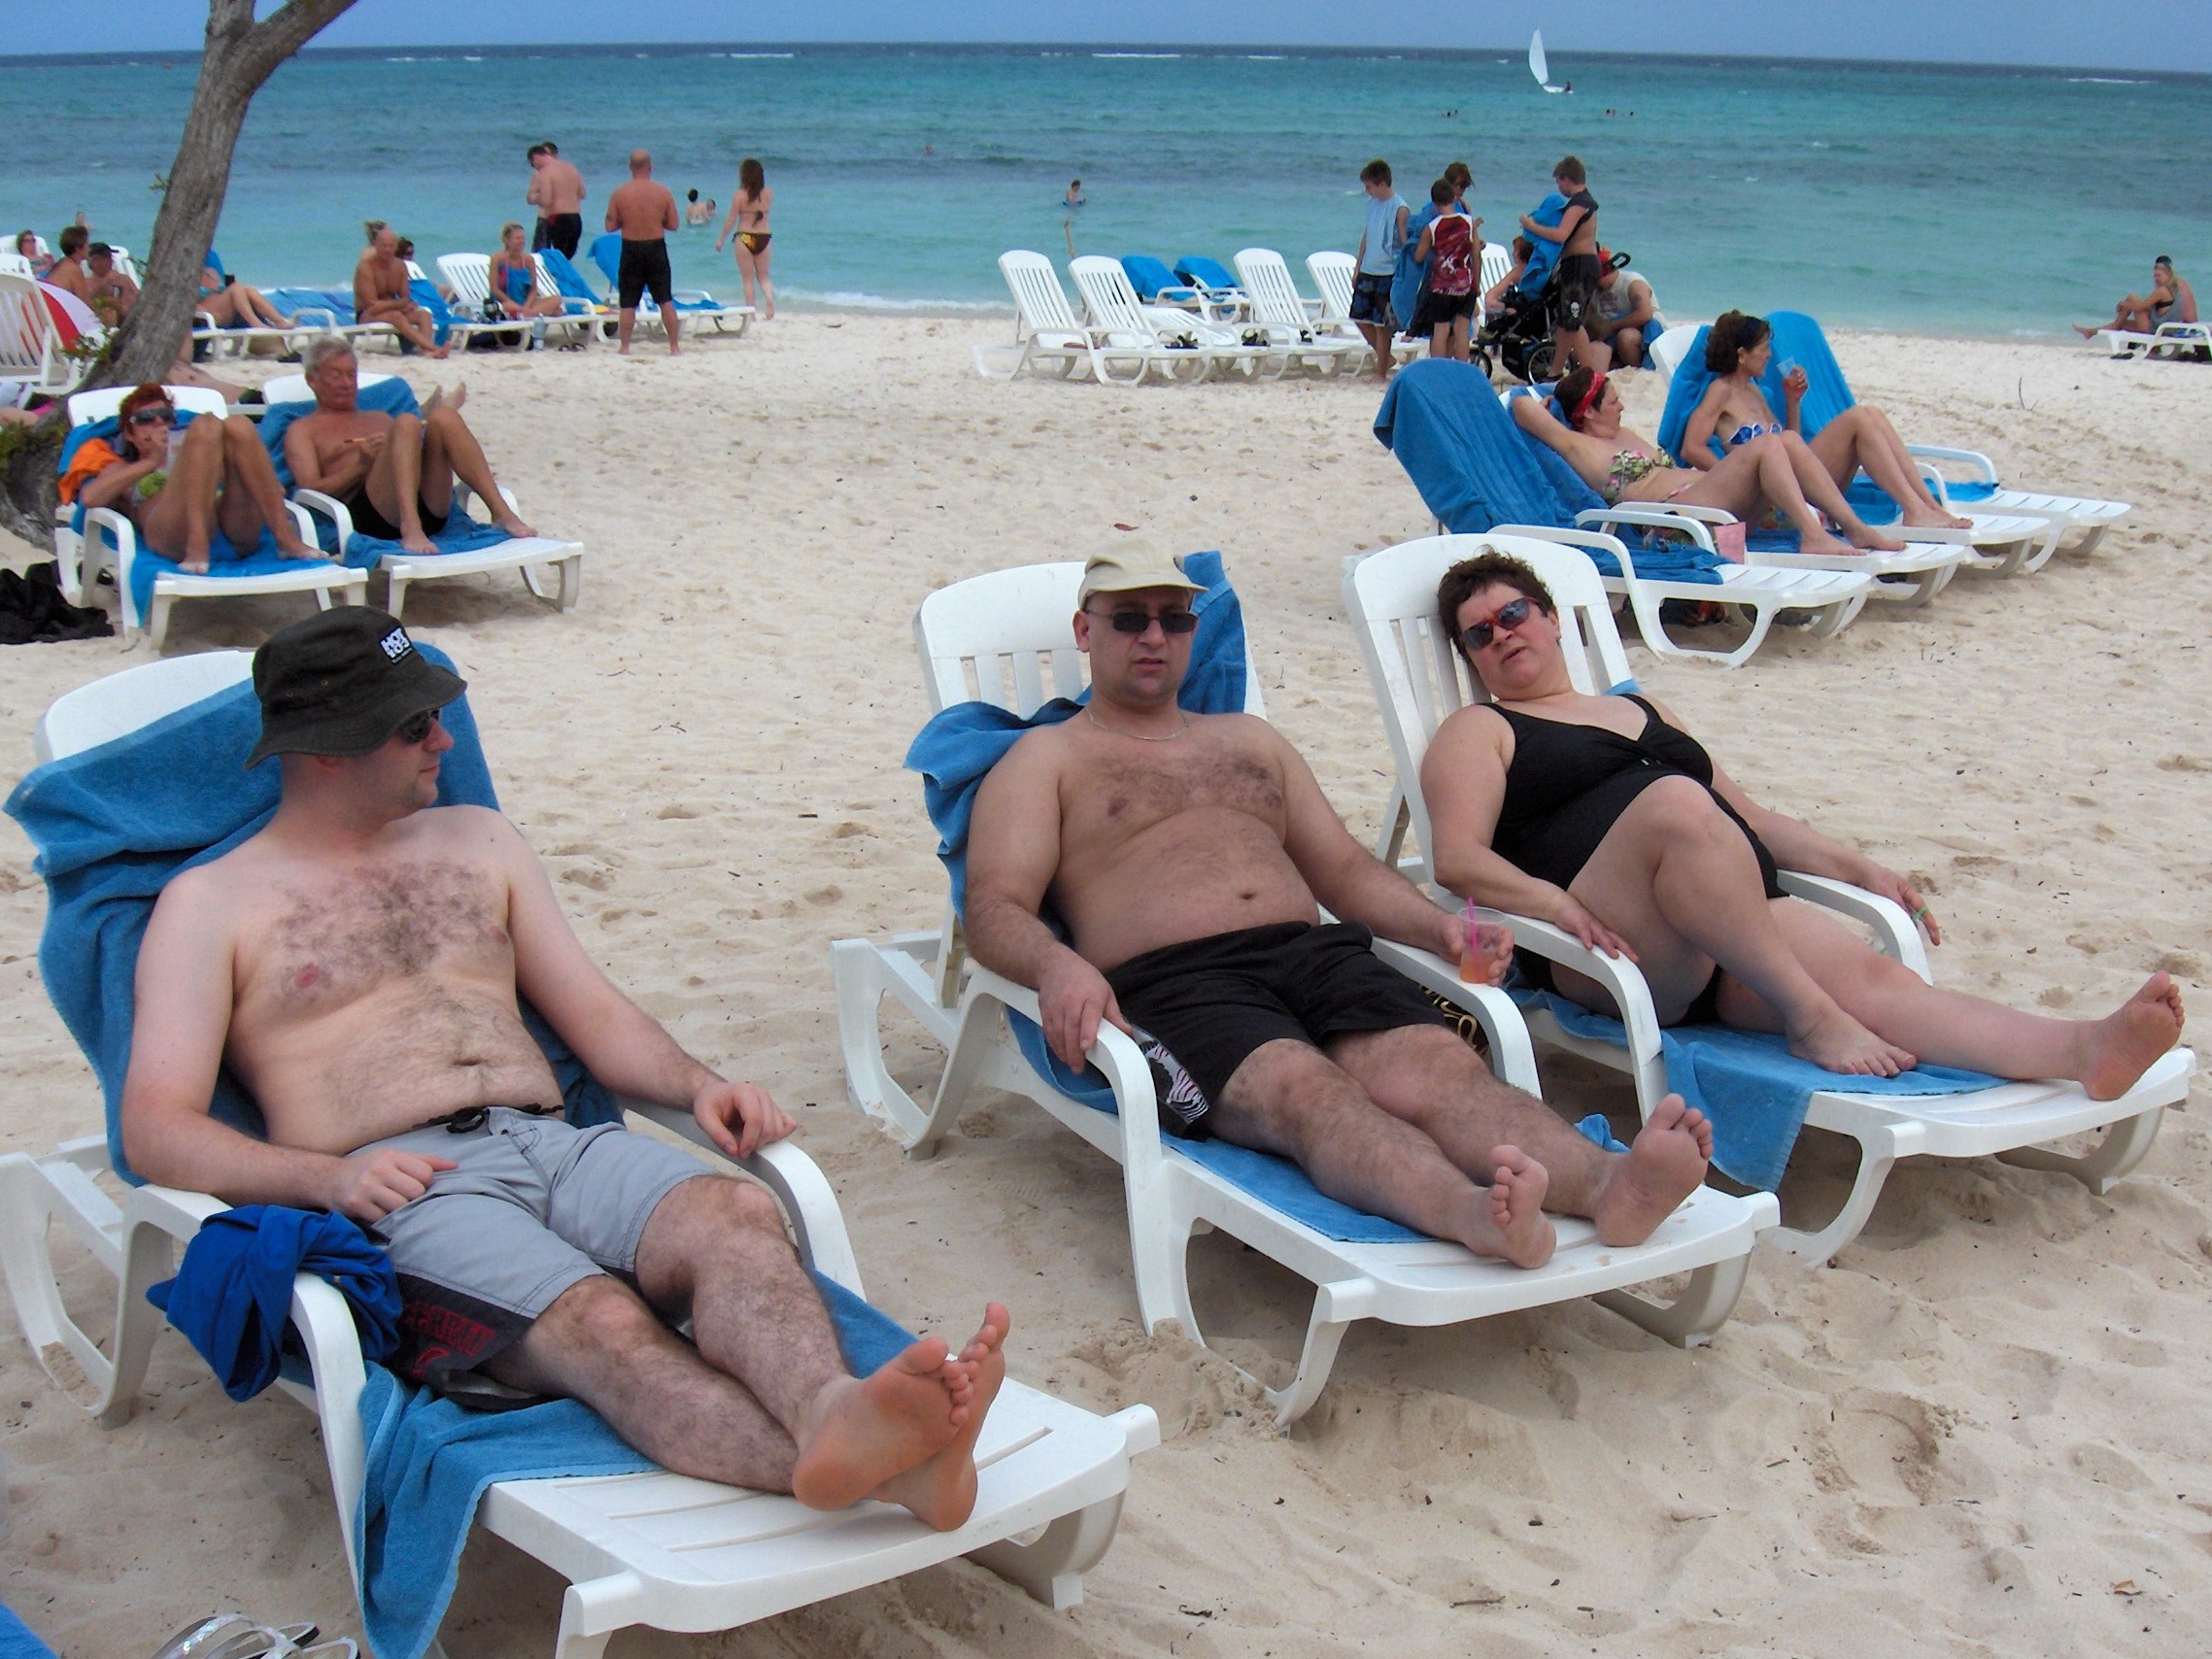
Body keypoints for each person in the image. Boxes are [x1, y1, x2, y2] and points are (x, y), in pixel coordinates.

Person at [119, 607, 1009, 1528]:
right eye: (413, 725)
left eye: (438, 714)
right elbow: (155, 1128)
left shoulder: (480, 840)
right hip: (403, 1185)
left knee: (737, 1211)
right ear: (326, 748)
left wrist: (699, 1085)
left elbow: (593, 1013)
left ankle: (833, 1412)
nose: (443, 740)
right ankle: (884, 1471)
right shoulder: (211, 904)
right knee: (599, 1322)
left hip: (554, 1140)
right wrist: (325, 1181)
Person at [962, 542, 1718, 1270]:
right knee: (1303, 1090)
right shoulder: (1046, 760)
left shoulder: (1251, 740)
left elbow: (1346, 870)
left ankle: (1607, 1185)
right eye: (1129, 619)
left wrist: (1440, 928)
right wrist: (1055, 966)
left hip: (1312, 954)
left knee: (1437, 1067)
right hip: (1175, 985)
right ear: (1084, 630)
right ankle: (1469, 1214)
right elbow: (993, 906)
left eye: (1175, 618)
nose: (1154, 636)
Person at [1419, 549, 2187, 1090]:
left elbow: (1747, 816)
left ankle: (2080, 1051)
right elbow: (1455, 858)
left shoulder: (1641, 707)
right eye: (1479, 633)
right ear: (1472, 659)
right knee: (1675, 802)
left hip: (1733, 922)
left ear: (1551, 618)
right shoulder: (1479, 730)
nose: (1501, 634)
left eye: (1512, 613)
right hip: (1621, 947)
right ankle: (1809, 1015)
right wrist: (1556, 905)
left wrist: (1857, 867)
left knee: (1880, 983)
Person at [1515, 365, 1904, 557]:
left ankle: (1853, 527)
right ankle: (1813, 536)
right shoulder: (1579, 445)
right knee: (1768, 446)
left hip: (1706, 501)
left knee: (1785, 439)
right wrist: (1549, 404)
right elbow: (1519, 405)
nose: (1622, 407)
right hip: (1674, 521)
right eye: (1614, 401)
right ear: (1588, 412)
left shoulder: (1624, 434)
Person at [1683, 312, 1972, 531]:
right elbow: (1691, 447)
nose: (1770, 354)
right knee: (1858, 418)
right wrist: (1733, 475)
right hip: (1769, 500)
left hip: (1795, 482)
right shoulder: (1720, 392)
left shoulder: (1755, 392)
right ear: (1742, 355)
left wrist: (1792, 401)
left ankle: (1926, 506)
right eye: (1764, 347)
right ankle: (1915, 510)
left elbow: (1790, 442)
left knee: (1870, 414)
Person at [282, 336, 531, 555]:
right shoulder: (303, 430)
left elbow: (411, 459)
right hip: (371, 517)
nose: (346, 383)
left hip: (428, 508)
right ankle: (410, 525)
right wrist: (360, 466)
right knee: (407, 422)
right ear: (312, 380)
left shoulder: (378, 418)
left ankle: (501, 512)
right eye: (336, 375)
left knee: (444, 417)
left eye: (351, 375)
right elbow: (308, 492)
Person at [61, 383, 321, 574]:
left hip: (232, 530)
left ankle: (286, 539)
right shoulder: (121, 466)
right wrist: (150, 462)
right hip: (174, 537)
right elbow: (91, 499)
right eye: (145, 419)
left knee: (238, 424)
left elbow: (273, 488)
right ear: (129, 434)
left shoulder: (207, 451)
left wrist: (214, 462)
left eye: (166, 417)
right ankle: (197, 544)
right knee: (206, 425)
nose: (159, 424)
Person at [1519, 155, 1602, 372]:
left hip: (1581, 266)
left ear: (1566, 179)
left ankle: (1591, 374)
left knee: (1572, 323)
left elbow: (1560, 234)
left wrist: (1531, 226)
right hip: (1574, 265)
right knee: (1565, 323)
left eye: (1558, 182)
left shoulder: (1580, 203)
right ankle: (1554, 371)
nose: (1559, 187)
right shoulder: (1581, 202)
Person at [607, 150, 682, 356]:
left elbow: (610, 226)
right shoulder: (663, 192)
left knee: (628, 302)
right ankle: (674, 347)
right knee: (665, 299)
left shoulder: (619, 194)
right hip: (656, 247)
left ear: (631, 167)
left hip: (631, 248)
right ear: (650, 167)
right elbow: (674, 225)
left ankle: (625, 347)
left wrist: (628, 219)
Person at [1409, 180, 1481, 364]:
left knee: (1440, 330)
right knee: (1461, 331)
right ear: (1453, 198)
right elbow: (1476, 255)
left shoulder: (1432, 227)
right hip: (1465, 284)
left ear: (1434, 203)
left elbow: (1418, 256)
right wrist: (1477, 283)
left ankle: (1438, 370)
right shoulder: (1469, 222)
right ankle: (1462, 369)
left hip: (1441, 286)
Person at [1350, 159, 1409, 382]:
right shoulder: (1371, 204)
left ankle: (1380, 372)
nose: (1367, 190)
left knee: (1382, 325)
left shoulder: (1400, 208)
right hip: (1368, 269)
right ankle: (1386, 358)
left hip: (1388, 272)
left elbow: (1405, 243)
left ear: (1382, 184)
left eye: (1369, 186)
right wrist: (1358, 267)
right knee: (1359, 317)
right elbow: (1367, 236)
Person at [354, 223, 447, 358]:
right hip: (366, 315)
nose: (387, 249)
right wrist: (400, 305)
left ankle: (426, 352)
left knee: (424, 314)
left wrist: (403, 305)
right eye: (383, 246)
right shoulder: (366, 267)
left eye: (390, 246)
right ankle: (433, 348)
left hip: (393, 311)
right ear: (376, 246)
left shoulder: (400, 266)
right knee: (396, 315)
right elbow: (372, 305)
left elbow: (406, 298)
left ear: (396, 247)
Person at [2076, 254, 2196, 338]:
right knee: (2122, 323)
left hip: (2158, 330)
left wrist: (2123, 304)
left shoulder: (2162, 291)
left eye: (2159, 276)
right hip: (2166, 328)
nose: (2156, 279)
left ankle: (2111, 327)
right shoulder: (2175, 287)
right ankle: (2092, 332)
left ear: (2168, 274)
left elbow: (2141, 307)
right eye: (2155, 276)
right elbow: (2157, 310)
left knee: (2132, 297)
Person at [716, 157, 775, 321]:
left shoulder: (739, 195)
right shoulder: (768, 194)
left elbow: (731, 219)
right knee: (763, 276)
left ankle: (751, 314)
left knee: (748, 280)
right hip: (764, 237)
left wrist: (721, 239)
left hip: (745, 237)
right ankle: (769, 298)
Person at [489, 220, 567, 335]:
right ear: (507, 240)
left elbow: (533, 289)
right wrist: (513, 303)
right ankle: (533, 313)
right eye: (517, 238)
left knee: (556, 299)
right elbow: (494, 288)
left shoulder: (528, 260)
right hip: (505, 302)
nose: (521, 241)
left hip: (525, 302)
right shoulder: (497, 259)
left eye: (523, 238)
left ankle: (525, 314)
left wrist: (526, 307)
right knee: (508, 307)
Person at [1587, 253, 1657, 369]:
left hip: (1642, 332)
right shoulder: (1594, 291)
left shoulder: (1631, 282)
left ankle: (1639, 369)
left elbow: (1645, 314)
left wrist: (1611, 326)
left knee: (1626, 337)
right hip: (1611, 338)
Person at [527, 142, 587, 257]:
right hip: (576, 219)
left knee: (555, 258)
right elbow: (581, 194)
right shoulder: (571, 167)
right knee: (566, 259)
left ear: (535, 157)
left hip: (558, 219)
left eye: (532, 164)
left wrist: (535, 198)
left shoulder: (545, 172)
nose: (535, 168)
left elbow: (546, 201)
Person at [84, 244, 138, 326]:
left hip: (124, 323)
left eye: (109, 258)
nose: (110, 260)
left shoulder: (123, 280)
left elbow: (138, 305)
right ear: (93, 262)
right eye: (106, 258)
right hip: (95, 326)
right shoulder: (85, 284)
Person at [43, 225, 92, 303]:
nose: (89, 248)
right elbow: (86, 303)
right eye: (87, 245)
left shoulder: (63, 263)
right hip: (56, 308)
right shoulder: (74, 269)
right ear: (78, 248)